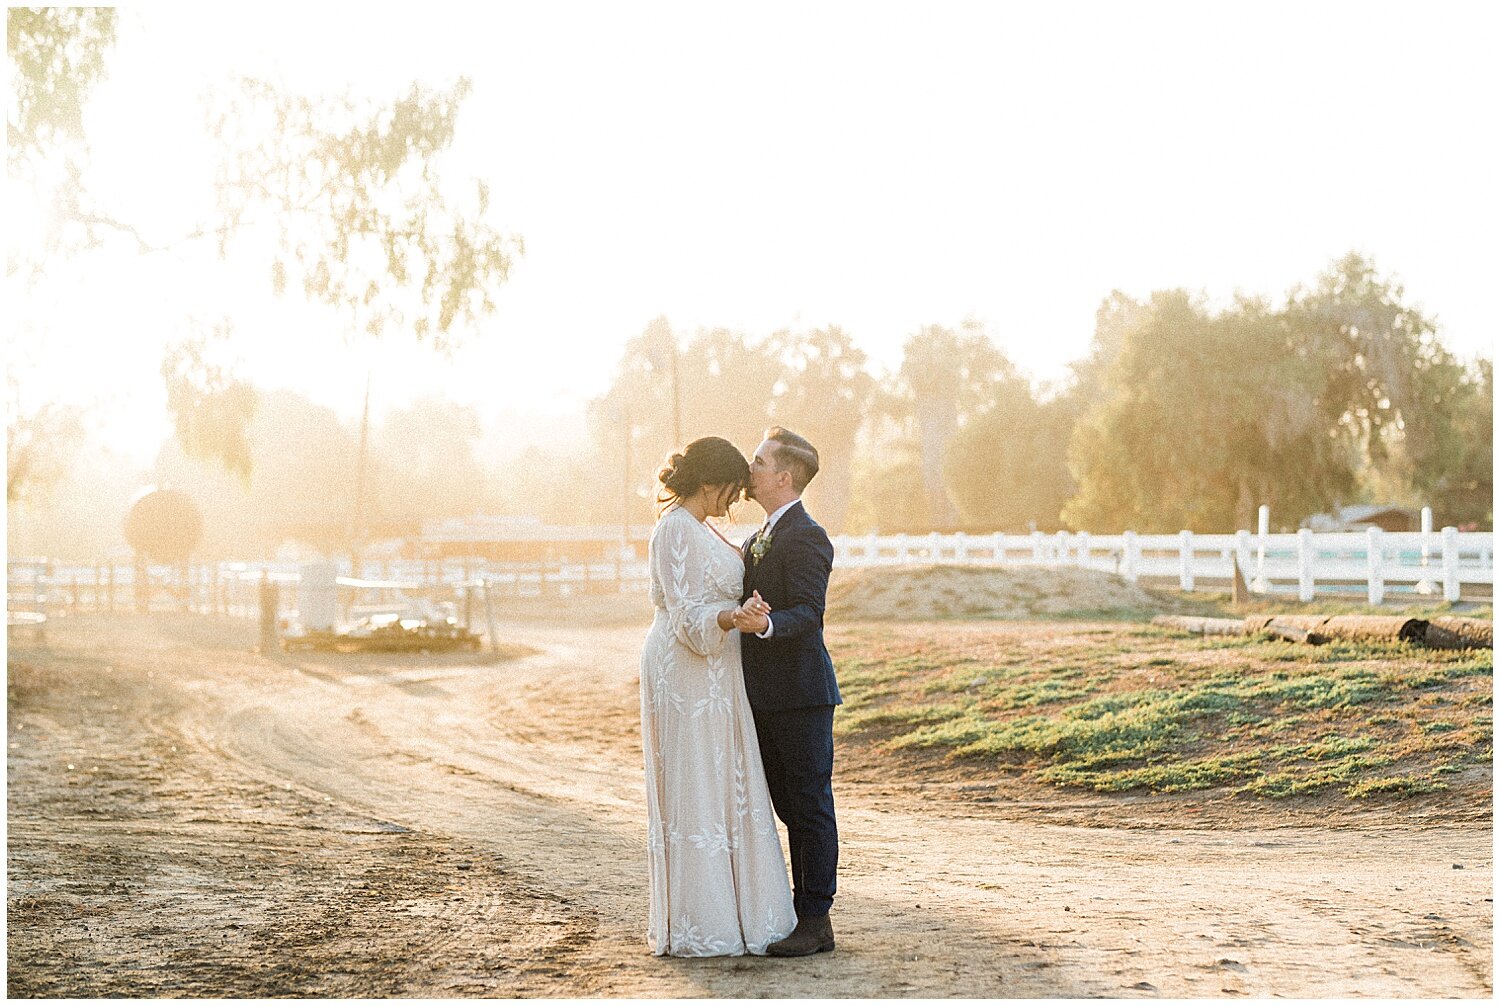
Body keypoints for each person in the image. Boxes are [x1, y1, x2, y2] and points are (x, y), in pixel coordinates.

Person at [639, 435, 796, 957]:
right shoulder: (673, 531)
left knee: (727, 780)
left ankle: (740, 909)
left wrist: (742, 611)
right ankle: (702, 921)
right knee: (698, 784)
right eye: (730, 489)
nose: (735, 500)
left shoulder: (701, 526)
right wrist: (734, 617)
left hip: (719, 671)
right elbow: (686, 616)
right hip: (685, 670)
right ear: (708, 482)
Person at [732, 426, 842, 957]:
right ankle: (802, 913)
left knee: (810, 804)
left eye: (757, 462)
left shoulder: (808, 535)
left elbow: (809, 612)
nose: (748, 469)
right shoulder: (757, 538)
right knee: (784, 804)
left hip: (800, 694)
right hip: (762, 696)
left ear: (782, 476)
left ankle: (815, 919)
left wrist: (765, 626)